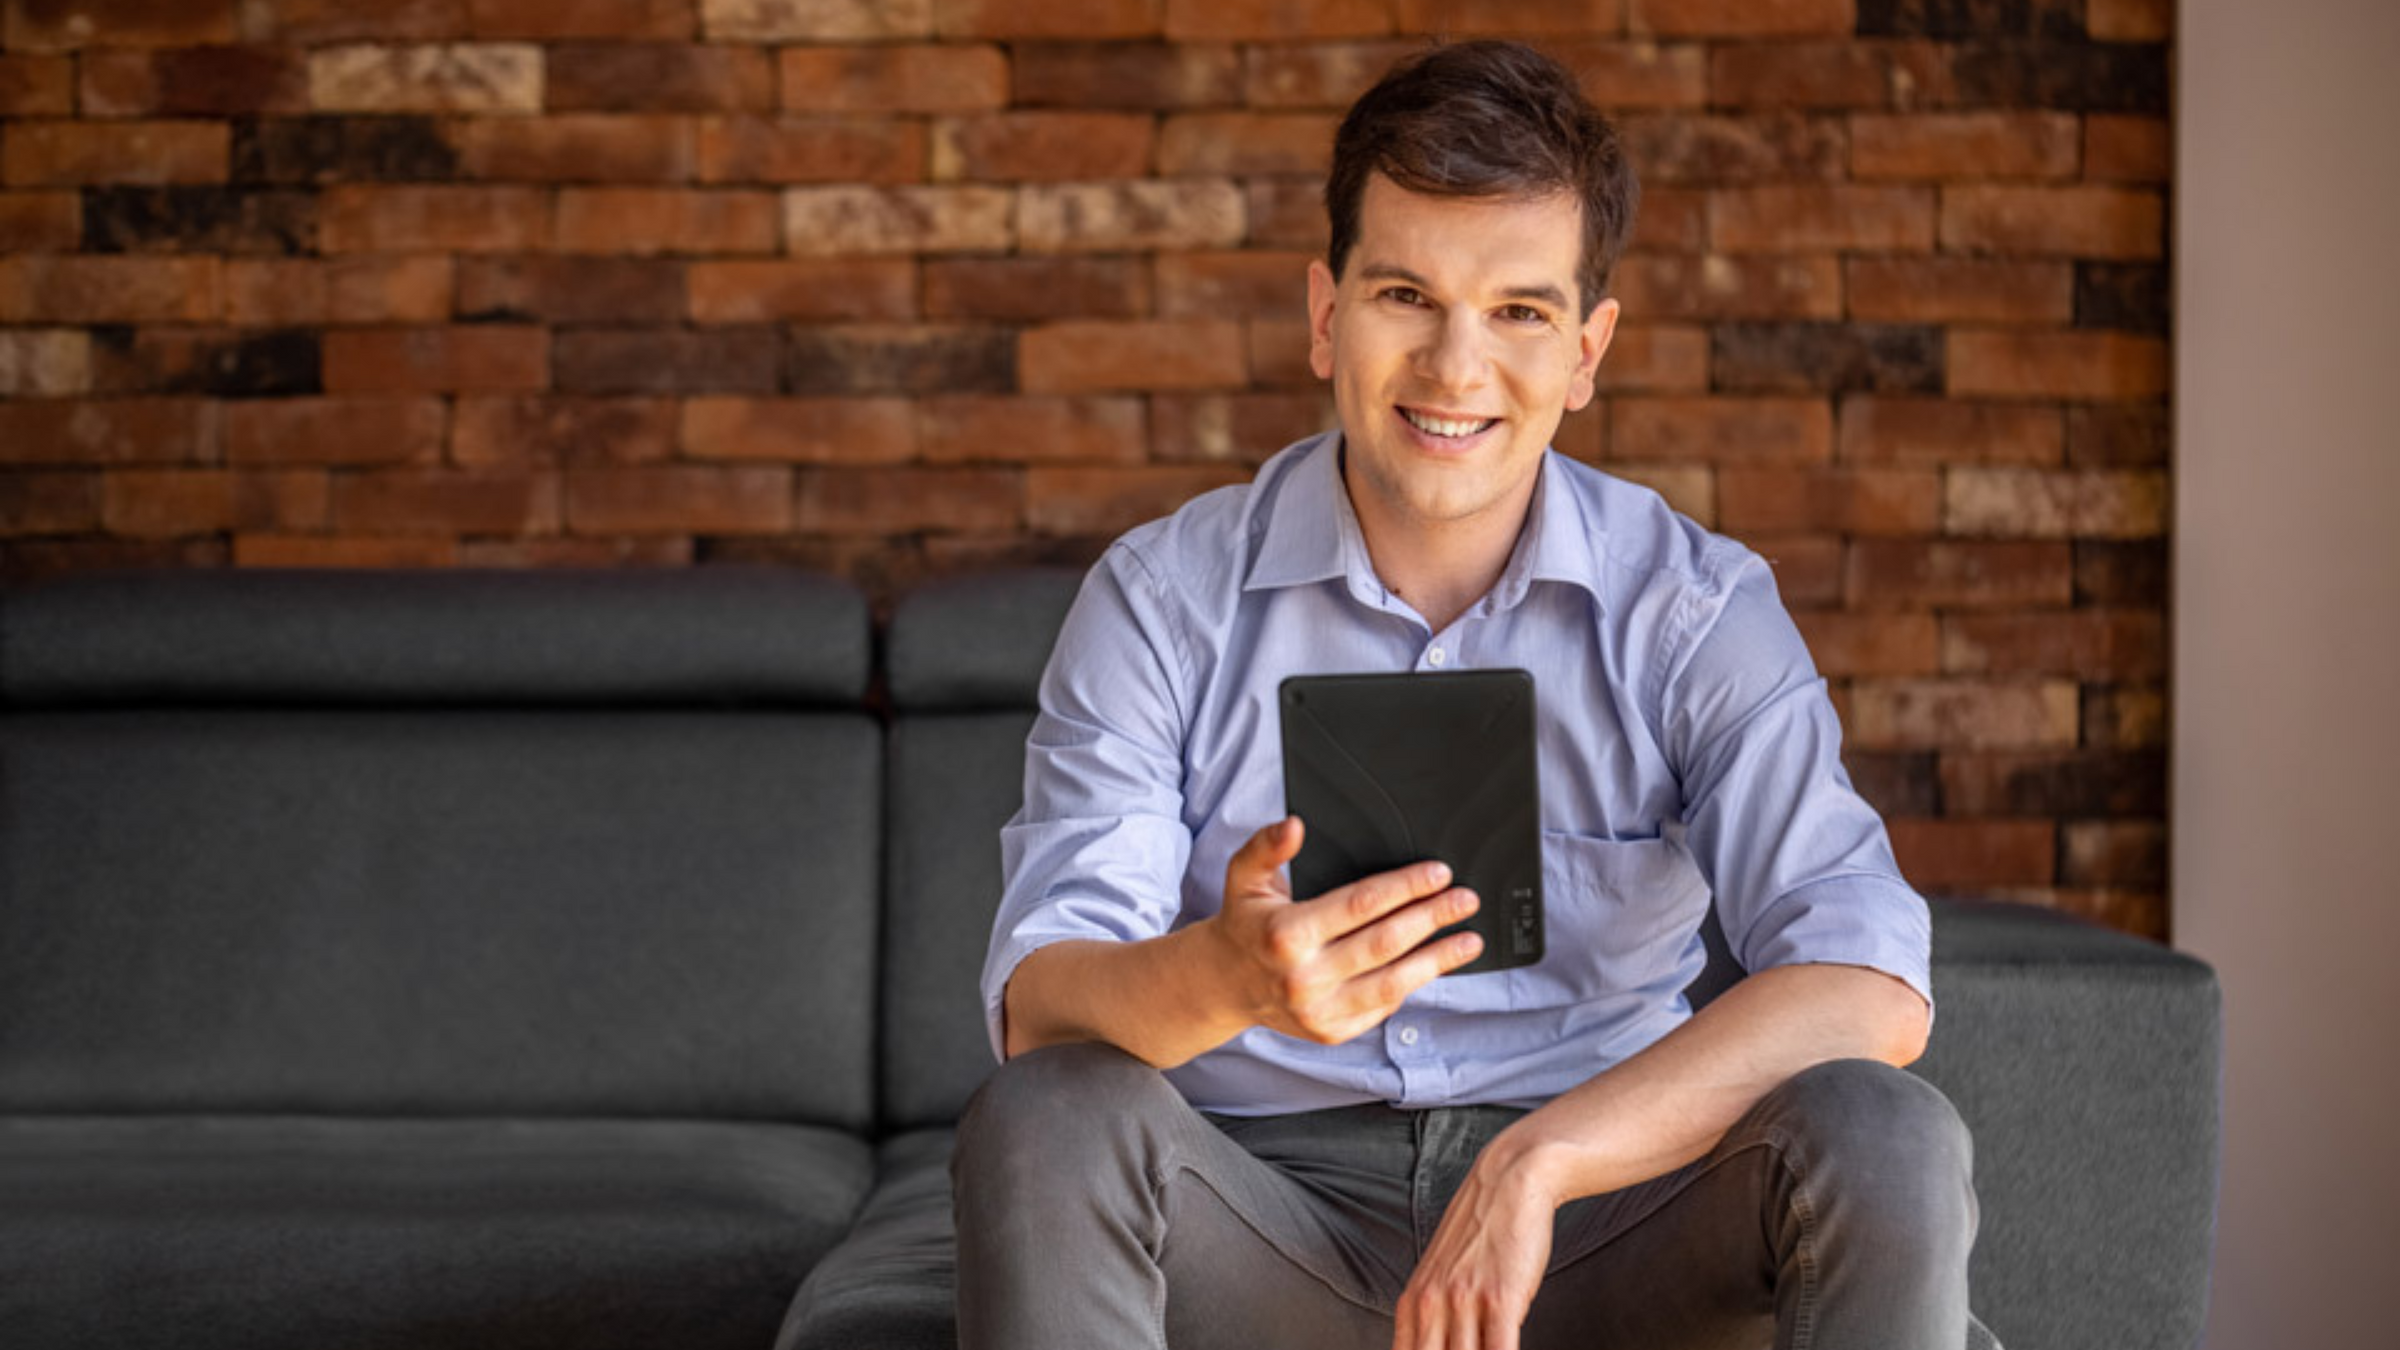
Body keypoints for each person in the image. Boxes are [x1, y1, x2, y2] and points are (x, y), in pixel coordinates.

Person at [953, 39, 1997, 1350]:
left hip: (1605, 1223)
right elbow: (1044, 997)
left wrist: (1542, 1160)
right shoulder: (1160, 596)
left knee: (1884, 1123)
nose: (1456, 367)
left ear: (1587, 350)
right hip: (1268, 1223)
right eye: (1407, 293)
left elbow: (1868, 978)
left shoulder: (1695, 606)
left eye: (1519, 310)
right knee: (1046, 1113)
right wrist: (1234, 980)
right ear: (1327, 316)